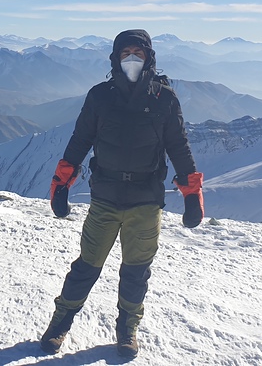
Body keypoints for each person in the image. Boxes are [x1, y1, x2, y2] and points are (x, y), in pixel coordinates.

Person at [42, 29, 204, 358]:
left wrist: (191, 193)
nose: (132, 58)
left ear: (149, 58)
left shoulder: (165, 99)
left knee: (135, 270)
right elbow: (80, 140)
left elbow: (179, 148)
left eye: (138, 53)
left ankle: (127, 328)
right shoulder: (100, 96)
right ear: (115, 57)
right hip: (105, 196)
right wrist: (61, 183)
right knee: (87, 265)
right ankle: (60, 323)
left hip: (146, 199)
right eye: (125, 52)